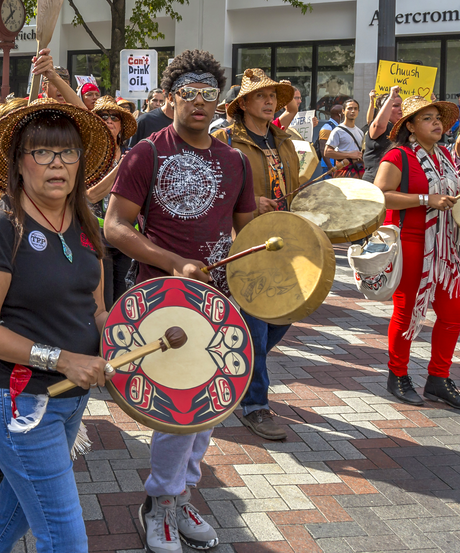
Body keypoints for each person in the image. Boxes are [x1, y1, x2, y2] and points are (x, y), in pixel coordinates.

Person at [105, 50, 255, 553]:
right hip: (162, 300)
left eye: (208, 94)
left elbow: (249, 231)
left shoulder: (235, 160)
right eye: (187, 93)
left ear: (220, 101)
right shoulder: (145, 153)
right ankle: (162, 501)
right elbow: (115, 227)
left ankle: (180, 493)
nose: (198, 102)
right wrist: (174, 262)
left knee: (211, 407)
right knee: (180, 406)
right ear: (168, 99)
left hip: (218, 303)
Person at [0, 98, 114, 553]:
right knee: (65, 538)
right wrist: (65, 359)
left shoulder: (86, 221)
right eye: (42, 153)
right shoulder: (0, 226)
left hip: (70, 401)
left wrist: (137, 332)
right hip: (21, 403)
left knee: (12, 516)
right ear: (18, 162)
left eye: (68, 153)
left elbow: (96, 309)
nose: (57, 164)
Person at [211, 68, 301, 442]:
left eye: (273, 97)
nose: (269, 102)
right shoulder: (223, 139)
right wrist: (244, 204)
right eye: (261, 96)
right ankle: (255, 406)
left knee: (284, 317)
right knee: (258, 327)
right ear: (242, 103)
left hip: (283, 243)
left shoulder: (286, 141)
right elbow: (209, 187)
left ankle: (234, 365)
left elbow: (295, 187)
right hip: (242, 243)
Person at [373, 96, 460, 410]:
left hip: (442, 245)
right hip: (409, 241)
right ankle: (398, 375)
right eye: (427, 118)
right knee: (407, 313)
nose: (437, 123)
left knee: (454, 311)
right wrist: (424, 199)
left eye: (438, 118)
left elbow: (448, 195)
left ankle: (438, 379)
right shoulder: (398, 155)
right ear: (411, 127)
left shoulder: (445, 155)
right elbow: (380, 196)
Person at [87, 96, 137, 309]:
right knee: (104, 303)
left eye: (114, 117)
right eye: (102, 116)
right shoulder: (88, 156)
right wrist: (121, 168)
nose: (108, 120)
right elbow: (90, 196)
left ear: (121, 125)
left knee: (124, 300)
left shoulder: (131, 154)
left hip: (126, 234)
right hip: (97, 236)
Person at [363, 88, 403, 183]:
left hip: (394, 184)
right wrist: (391, 97)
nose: (401, 109)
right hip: (374, 184)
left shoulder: (403, 129)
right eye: (396, 105)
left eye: (402, 105)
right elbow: (379, 125)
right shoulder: (380, 127)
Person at [324, 98, 364, 176]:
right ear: (343, 111)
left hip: (358, 170)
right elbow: (327, 152)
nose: (353, 111)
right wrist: (349, 154)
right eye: (349, 108)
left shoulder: (360, 132)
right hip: (343, 171)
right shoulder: (337, 131)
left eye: (355, 109)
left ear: (358, 112)